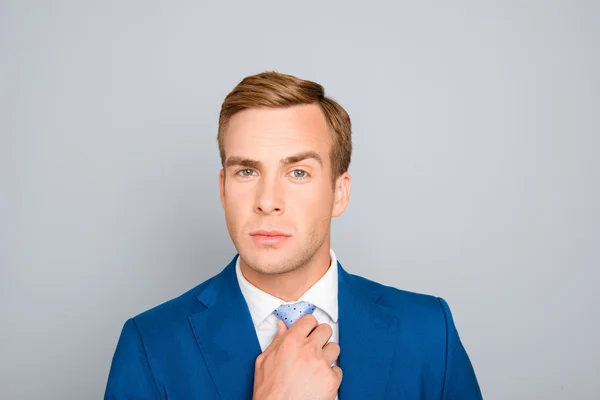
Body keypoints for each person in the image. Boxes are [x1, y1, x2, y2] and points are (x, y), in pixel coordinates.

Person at [104, 71, 482, 400]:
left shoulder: (431, 332)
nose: (268, 201)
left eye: (298, 172)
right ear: (223, 190)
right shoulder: (149, 345)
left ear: (339, 193)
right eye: (247, 172)